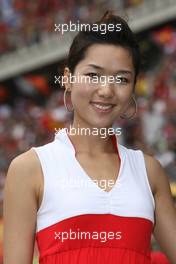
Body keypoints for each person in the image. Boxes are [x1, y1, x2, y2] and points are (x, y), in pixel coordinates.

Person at [3, 11, 176, 264]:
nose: (106, 90)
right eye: (93, 75)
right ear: (68, 79)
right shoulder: (30, 168)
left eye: (121, 79)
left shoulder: (149, 171)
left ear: (132, 88)